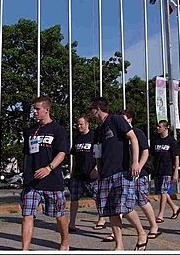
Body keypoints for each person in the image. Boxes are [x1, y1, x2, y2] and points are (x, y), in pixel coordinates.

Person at [89, 97, 148, 251]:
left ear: (97, 109)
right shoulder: (98, 131)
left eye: (91, 110)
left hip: (121, 171)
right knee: (111, 210)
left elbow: (133, 138)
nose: (90, 113)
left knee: (124, 206)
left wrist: (135, 162)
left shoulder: (115, 120)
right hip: (105, 175)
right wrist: (98, 169)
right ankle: (119, 246)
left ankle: (142, 233)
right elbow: (98, 153)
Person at [20, 96, 69, 251]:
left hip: (52, 181)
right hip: (32, 183)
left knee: (59, 215)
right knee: (27, 216)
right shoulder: (30, 131)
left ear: (47, 110)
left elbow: (62, 153)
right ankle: (25, 249)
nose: (34, 112)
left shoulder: (58, 130)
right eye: (34, 109)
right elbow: (27, 155)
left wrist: (49, 168)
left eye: (37, 109)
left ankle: (65, 242)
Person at [120, 110, 161, 239]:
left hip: (139, 172)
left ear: (130, 119)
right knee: (121, 202)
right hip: (124, 172)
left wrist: (138, 165)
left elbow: (145, 152)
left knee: (142, 200)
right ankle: (115, 231)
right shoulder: (120, 135)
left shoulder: (138, 133)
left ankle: (153, 225)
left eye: (124, 119)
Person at [68, 115, 106, 233]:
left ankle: (102, 218)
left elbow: (99, 154)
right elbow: (74, 156)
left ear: (87, 124)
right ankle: (72, 223)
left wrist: (96, 169)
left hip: (92, 174)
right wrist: (72, 171)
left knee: (98, 198)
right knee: (74, 199)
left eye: (81, 124)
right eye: (78, 124)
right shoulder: (77, 138)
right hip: (78, 174)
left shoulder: (94, 136)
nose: (79, 126)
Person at [152, 120, 180, 223]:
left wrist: (176, 171)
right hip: (158, 170)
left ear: (166, 128)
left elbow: (176, 157)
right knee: (161, 191)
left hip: (167, 169)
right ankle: (175, 208)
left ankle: (161, 214)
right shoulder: (156, 141)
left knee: (164, 192)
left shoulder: (172, 141)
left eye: (160, 126)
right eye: (157, 126)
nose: (158, 128)